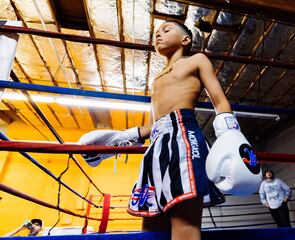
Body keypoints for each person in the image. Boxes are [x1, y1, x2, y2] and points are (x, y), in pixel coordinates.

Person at [78, 20, 259, 240]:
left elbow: (220, 102)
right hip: (156, 145)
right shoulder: (156, 80)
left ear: (186, 40)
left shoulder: (197, 60)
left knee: (185, 227)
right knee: (152, 227)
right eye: (156, 32)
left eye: (166, 30)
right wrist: (118, 140)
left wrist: (230, 133)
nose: (158, 35)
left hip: (184, 138)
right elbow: (154, 124)